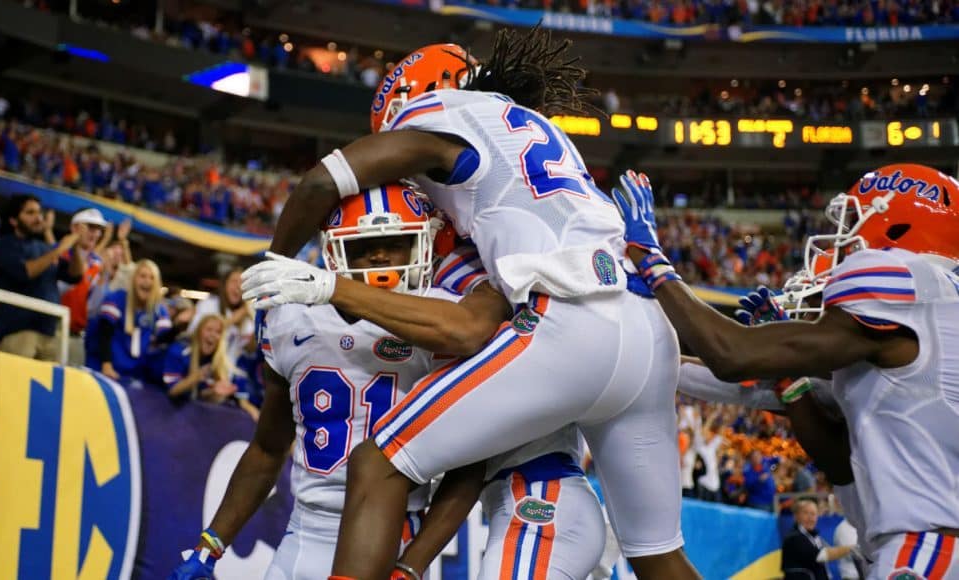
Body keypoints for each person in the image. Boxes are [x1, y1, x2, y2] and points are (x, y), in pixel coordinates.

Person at [241, 30, 697, 579]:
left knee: (381, 461)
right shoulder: (540, 146)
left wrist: (286, 272)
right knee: (659, 558)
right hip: (636, 323)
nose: (405, 181)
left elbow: (462, 328)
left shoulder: (442, 122)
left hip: (541, 470)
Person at [180, 187, 606, 580]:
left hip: (392, 534)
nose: (383, 257)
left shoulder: (441, 321)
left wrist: (412, 565)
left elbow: (469, 467)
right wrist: (211, 543)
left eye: (397, 243)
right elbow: (269, 448)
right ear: (336, 251)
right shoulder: (290, 319)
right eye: (366, 247)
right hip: (305, 528)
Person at [613, 163, 959, 578]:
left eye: (854, 219)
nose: (843, 239)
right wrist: (632, 357)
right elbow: (836, 461)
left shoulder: (907, 278)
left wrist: (654, 263)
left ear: (900, 225)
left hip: (929, 548)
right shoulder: (927, 320)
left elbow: (731, 355)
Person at [0, 194, 83, 361]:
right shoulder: (4, 245)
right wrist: (59, 249)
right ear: (13, 220)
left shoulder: (43, 247)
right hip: (17, 333)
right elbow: (25, 272)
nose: (38, 218)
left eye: (39, 212)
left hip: (49, 335)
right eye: (30, 213)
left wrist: (75, 247)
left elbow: (74, 276)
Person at [85, 259, 172, 383]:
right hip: (105, 368)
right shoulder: (117, 299)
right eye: (142, 276)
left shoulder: (159, 310)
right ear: (133, 279)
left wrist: (178, 328)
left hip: (135, 375)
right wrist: (106, 365)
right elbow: (104, 333)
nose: (147, 281)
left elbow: (164, 341)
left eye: (152, 277)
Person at [162, 313, 259, 420]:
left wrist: (214, 392)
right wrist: (194, 378)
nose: (213, 335)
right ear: (199, 332)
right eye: (209, 329)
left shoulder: (214, 361)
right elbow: (172, 391)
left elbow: (199, 394)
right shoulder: (179, 350)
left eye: (218, 332)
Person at [59, 208, 109, 366]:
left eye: (99, 230)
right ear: (75, 228)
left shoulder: (98, 265)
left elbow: (93, 309)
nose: (95, 234)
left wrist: (103, 280)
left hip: (76, 337)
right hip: (51, 331)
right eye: (90, 228)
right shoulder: (59, 253)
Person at [190, 267, 253, 365]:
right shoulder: (208, 303)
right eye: (234, 281)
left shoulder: (247, 315)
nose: (238, 286)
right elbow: (194, 332)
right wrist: (236, 317)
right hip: (200, 365)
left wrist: (255, 319)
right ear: (224, 284)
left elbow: (248, 349)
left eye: (243, 283)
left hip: (228, 372)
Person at [781, 499, 855, 580]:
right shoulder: (794, 538)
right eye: (806, 513)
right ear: (796, 516)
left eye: (813, 514)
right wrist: (852, 548)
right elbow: (821, 555)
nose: (810, 518)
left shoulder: (813, 536)